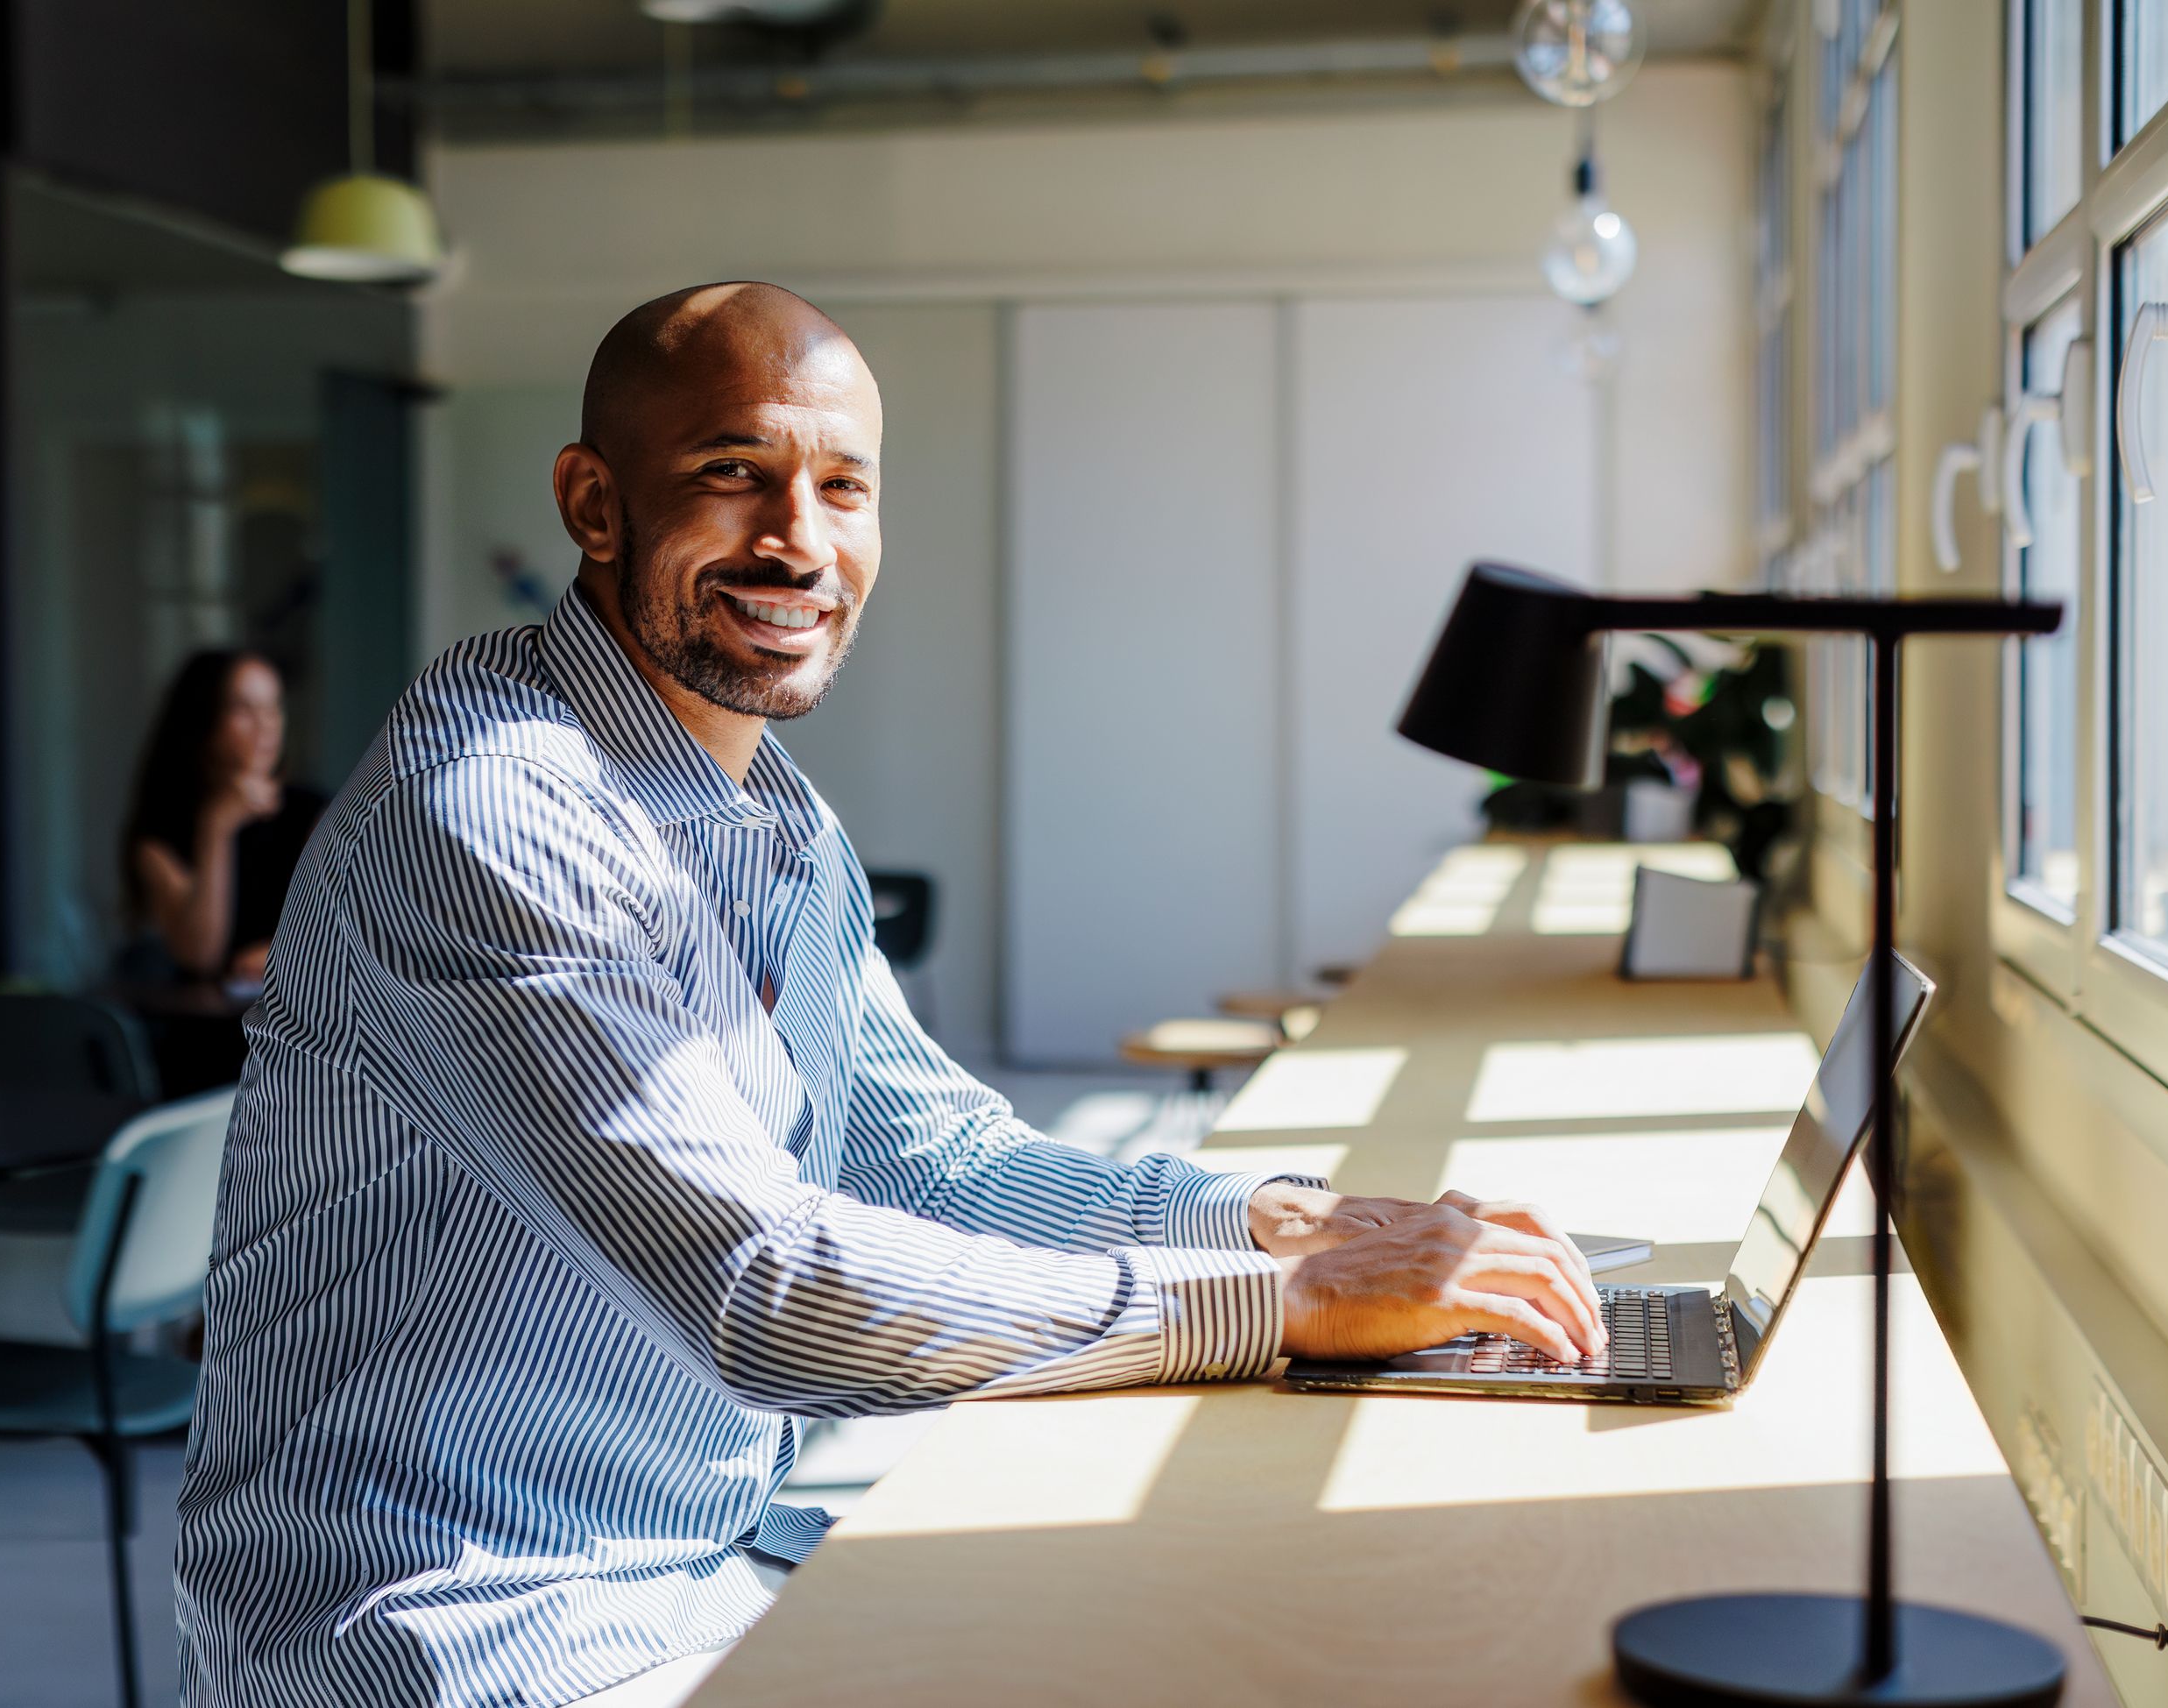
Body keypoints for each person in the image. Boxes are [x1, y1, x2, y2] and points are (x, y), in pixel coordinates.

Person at [175, 282, 1606, 1708]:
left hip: (700, 1571)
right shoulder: (485, 808)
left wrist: (1291, 1216)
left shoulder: (773, 816)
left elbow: (945, 1163)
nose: (800, 539)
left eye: (842, 486)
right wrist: (1274, 1302)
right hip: (461, 1632)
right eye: (734, 474)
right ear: (593, 503)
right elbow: (764, 1288)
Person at [119, 649, 324, 987]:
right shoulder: (160, 837)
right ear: (203, 719)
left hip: (299, 1024)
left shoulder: (314, 815)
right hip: (202, 1027)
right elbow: (200, 955)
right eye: (243, 709)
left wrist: (284, 955)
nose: (266, 726)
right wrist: (216, 828)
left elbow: (352, 936)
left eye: (273, 707)